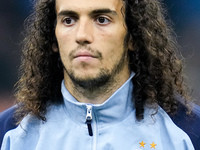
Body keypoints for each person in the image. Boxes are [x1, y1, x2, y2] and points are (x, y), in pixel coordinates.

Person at [0, 0, 197, 149]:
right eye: (68, 20)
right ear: (53, 38)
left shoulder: (188, 132)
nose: (82, 35)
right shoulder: (10, 132)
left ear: (133, 36)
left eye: (102, 19)